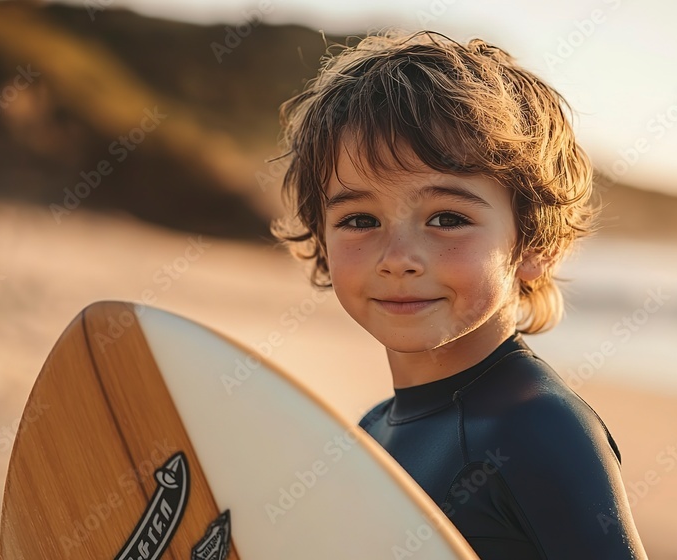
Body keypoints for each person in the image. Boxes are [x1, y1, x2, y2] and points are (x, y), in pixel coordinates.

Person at [271, 29, 647, 559]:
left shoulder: (539, 427)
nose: (397, 257)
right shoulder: (370, 431)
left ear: (534, 244)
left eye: (447, 218)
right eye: (360, 219)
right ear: (322, 240)